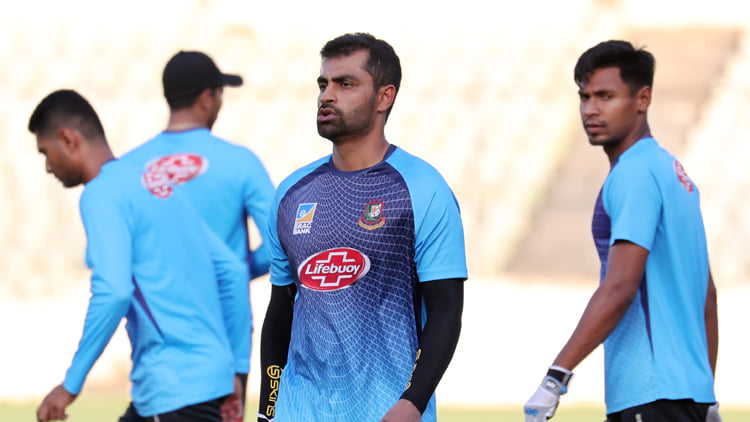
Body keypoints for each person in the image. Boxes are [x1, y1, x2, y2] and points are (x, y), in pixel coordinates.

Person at [256, 33, 467, 422]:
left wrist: (413, 402)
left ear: (384, 97)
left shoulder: (423, 189)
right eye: (323, 84)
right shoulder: (290, 194)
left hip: (386, 412)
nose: (327, 96)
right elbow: (280, 310)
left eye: (345, 84)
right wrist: (268, 411)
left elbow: (446, 312)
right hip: (297, 412)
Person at [523, 40, 720, 422]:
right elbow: (706, 296)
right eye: (585, 97)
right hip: (687, 396)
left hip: (649, 392)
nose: (590, 110)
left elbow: (621, 286)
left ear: (643, 98)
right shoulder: (675, 174)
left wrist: (556, 376)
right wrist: (706, 394)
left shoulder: (633, 173)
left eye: (606, 96)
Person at [30, 89, 251, 422]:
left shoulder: (101, 194)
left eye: (45, 152)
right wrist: (233, 369)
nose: (48, 167)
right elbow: (232, 270)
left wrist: (70, 385)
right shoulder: (156, 184)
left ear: (68, 139)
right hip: (207, 383)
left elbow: (114, 292)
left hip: (173, 392)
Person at [121, 50, 276, 420]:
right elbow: (280, 243)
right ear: (207, 97)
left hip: (157, 336)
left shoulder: (129, 166)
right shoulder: (240, 162)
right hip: (223, 336)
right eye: (220, 93)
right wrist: (237, 267)